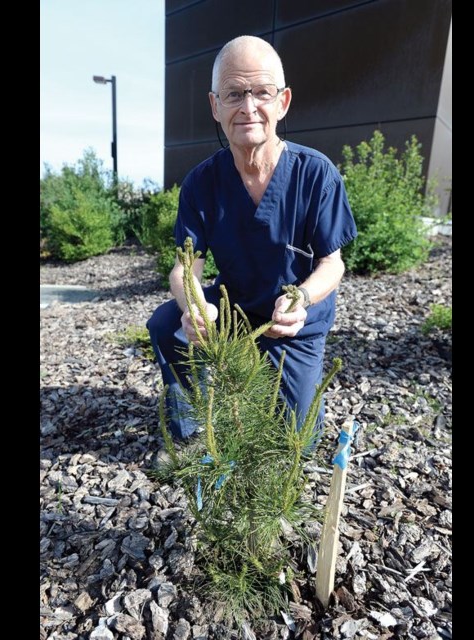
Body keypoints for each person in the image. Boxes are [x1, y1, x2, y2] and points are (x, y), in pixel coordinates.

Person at [147, 35, 357, 441]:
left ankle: (292, 392)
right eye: (233, 93)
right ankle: (191, 429)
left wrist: (302, 299)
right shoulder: (201, 183)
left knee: (297, 441)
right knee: (166, 324)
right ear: (215, 105)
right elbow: (186, 265)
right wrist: (194, 305)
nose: (248, 107)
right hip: (235, 308)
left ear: (283, 101)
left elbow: (333, 263)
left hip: (293, 323)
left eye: (262, 92)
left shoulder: (316, 175)